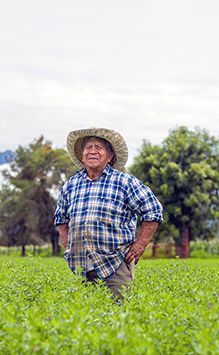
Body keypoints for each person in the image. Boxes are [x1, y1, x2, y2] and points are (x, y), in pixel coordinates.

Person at [54, 127, 163, 302]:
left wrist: (140, 245)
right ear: (82, 155)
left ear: (110, 156)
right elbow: (61, 218)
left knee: (115, 319)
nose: (92, 151)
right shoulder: (71, 184)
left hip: (115, 265)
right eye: (88, 147)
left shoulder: (125, 182)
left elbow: (153, 210)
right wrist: (68, 246)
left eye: (99, 147)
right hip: (80, 267)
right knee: (84, 322)